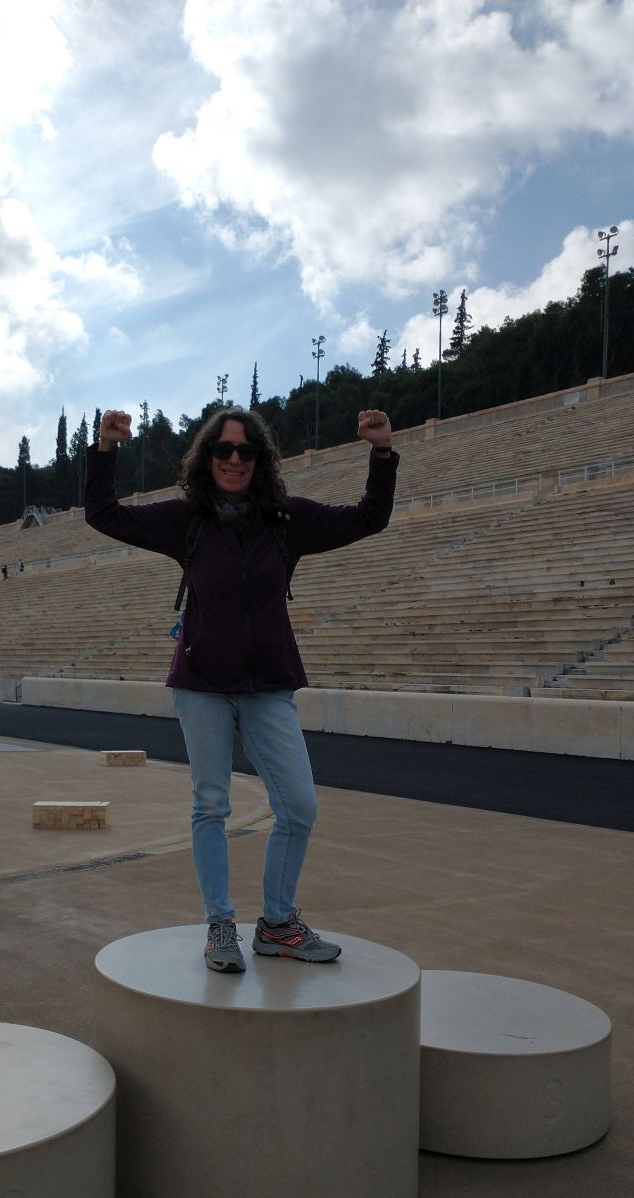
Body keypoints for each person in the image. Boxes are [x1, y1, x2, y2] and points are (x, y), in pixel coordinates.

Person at [85, 404, 399, 973]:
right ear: (207, 457)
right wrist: (106, 449)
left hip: (268, 685)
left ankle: (277, 924)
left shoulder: (286, 519)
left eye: (246, 451)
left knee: (299, 806)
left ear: (261, 459)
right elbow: (104, 514)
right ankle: (220, 925)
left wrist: (381, 451)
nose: (235, 459)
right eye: (224, 449)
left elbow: (369, 518)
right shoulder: (187, 519)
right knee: (211, 804)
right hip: (202, 685)